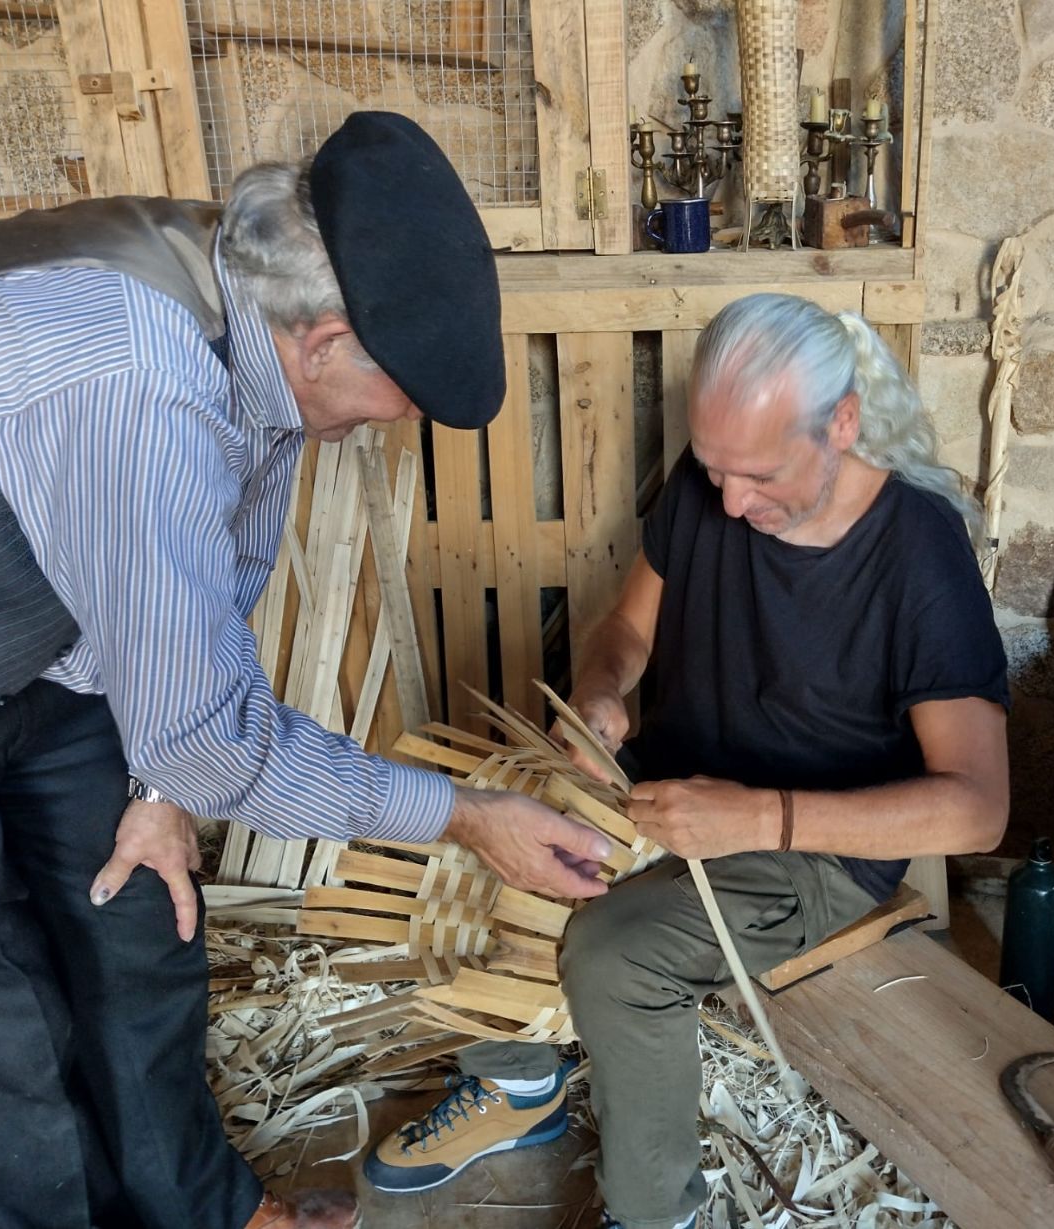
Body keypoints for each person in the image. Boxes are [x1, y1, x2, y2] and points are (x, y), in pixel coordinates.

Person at [0, 112, 611, 1229]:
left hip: (41, 661)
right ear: (328, 341)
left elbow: (206, 600)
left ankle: (215, 1215)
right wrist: (465, 813)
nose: (392, 427)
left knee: (141, 927)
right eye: (402, 398)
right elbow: (203, 731)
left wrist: (157, 794)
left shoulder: (250, 313)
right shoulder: (142, 368)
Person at [362, 293, 1011, 1229]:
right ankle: (521, 1083)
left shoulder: (919, 552)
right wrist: (602, 694)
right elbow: (627, 626)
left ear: (843, 423)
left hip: (815, 847)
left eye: (755, 474)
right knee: (465, 841)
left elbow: (976, 809)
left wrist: (758, 818)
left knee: (617, 954)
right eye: (713, 471)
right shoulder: (711, 485)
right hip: (662, 791)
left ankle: (655, 1210)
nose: (731, 503)